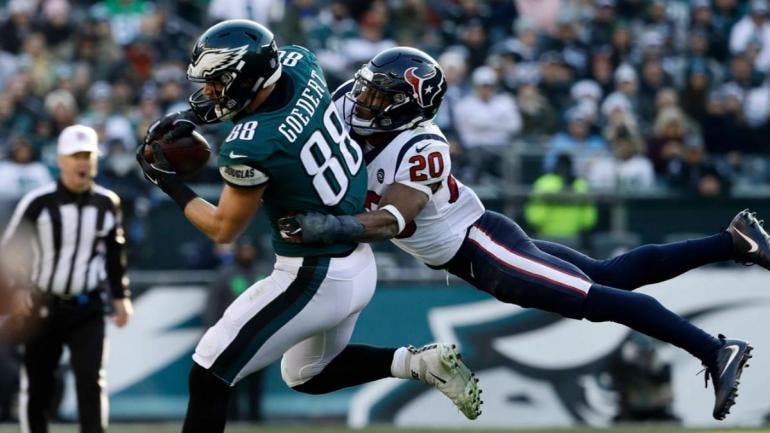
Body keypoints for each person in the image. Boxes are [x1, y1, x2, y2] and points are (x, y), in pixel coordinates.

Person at [279, 46, 762, 421]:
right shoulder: (345, 104)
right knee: (609, 276)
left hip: (481, 246)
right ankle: (733, 241)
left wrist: (331, 226)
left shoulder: (422, 145)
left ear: (410, 106)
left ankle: (714, 348)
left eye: (381, 96)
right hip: (476, 245)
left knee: (593, 299)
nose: (364, 100)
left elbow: (393, 220)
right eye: (366, 89)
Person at [135, 20, 481, 433]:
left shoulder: (251, 145)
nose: (209, 91)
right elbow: (261, 100)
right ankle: (416, 362)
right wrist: (191, 114)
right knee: (306, 374)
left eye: (218, 81)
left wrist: (168, 182)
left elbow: (223, 228)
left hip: (312, 273)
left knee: (209, 369)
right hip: (356, 259)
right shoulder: (301, 63)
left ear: (246, 76)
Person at [0, 124, 133, 433]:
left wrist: (120, 296)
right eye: (75, 156)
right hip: (43, 305)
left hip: (88, 306)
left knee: (91, 381)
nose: (82, 162)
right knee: (38, 383)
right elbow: (11, 251)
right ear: (60, 160)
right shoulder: (38, 203)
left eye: (87, 155)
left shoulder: (107, 203)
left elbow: (116, 252)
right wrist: (18, 290)